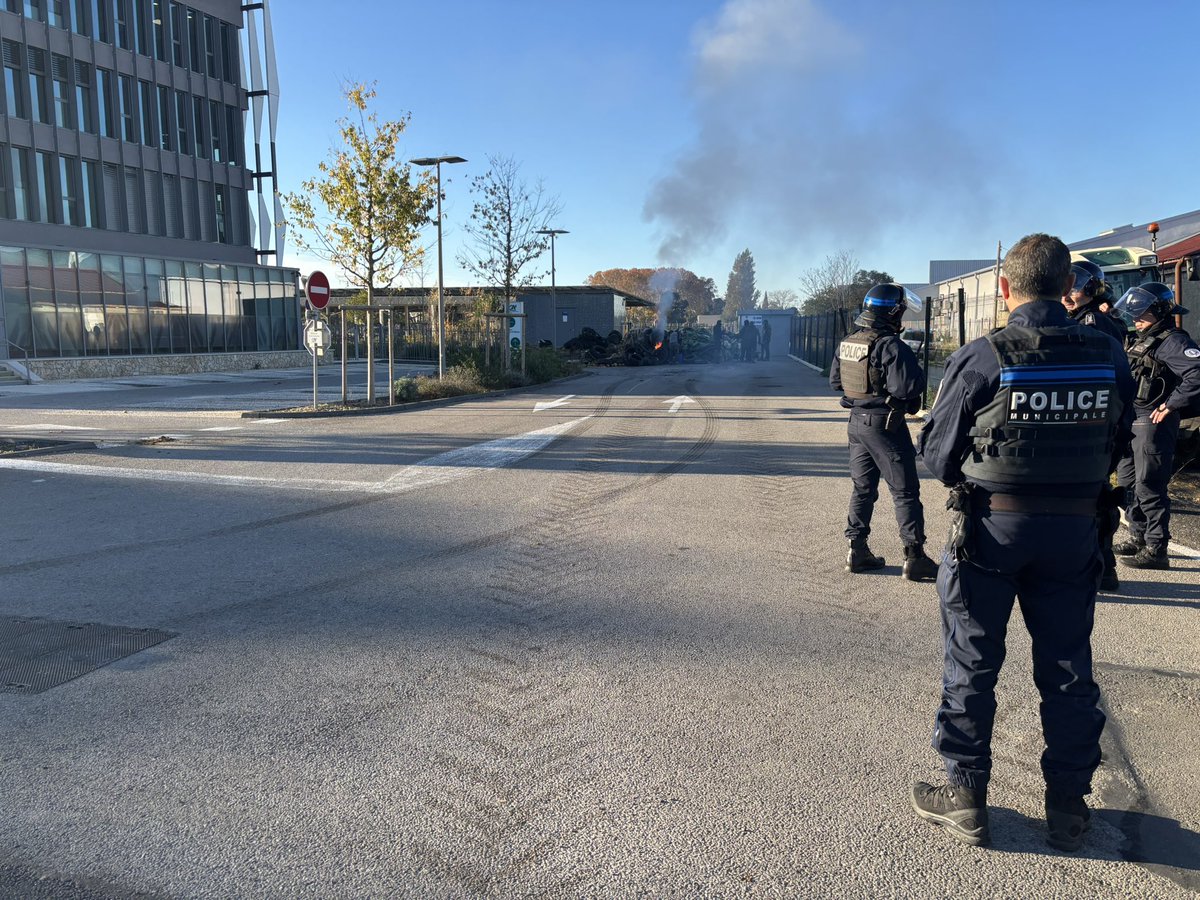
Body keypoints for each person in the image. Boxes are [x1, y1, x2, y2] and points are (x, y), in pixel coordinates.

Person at [912, 233, 1134, 852]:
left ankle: (966, 796)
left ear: (1006, 288)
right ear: (1069, 286)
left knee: (973, 661)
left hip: (992, 529)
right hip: (1075, 529)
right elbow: (1120, 435)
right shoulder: (1109, 353)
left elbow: (936, 451)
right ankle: (1068, 806)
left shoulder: (986, 355)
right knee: (1066, 667)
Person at [829, 283, 937, 580]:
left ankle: (856, 550)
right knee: (905, 492)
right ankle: (915, 558)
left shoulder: (849, 341)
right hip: (886, 426)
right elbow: (909, 389)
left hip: (856, 423)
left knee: (863, 488)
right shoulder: (890, 345)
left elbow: (836, 382)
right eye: (900, 311)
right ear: (892, 311)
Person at [1112, 282, 1200, 569]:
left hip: (1153, 422)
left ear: (1160, 312)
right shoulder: (1141, 338)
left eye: (1142, 313)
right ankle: (1138, 536)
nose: (1135, 318)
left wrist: (1171, 404)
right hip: (1131, 422)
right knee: (1127, 483)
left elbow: (1196, 373)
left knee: (1149, 485)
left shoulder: (1172, 341)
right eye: (1134, 313)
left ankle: (1156, 547)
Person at [1062, 260, 1129, 592]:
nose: (1067, 294)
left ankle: (1103, 566)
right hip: (1084, 422)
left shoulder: (1096, 324)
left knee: (1096, 497)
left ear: (1091, 289)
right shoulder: (1074, 320)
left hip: (1095, 423)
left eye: (1074, 287)